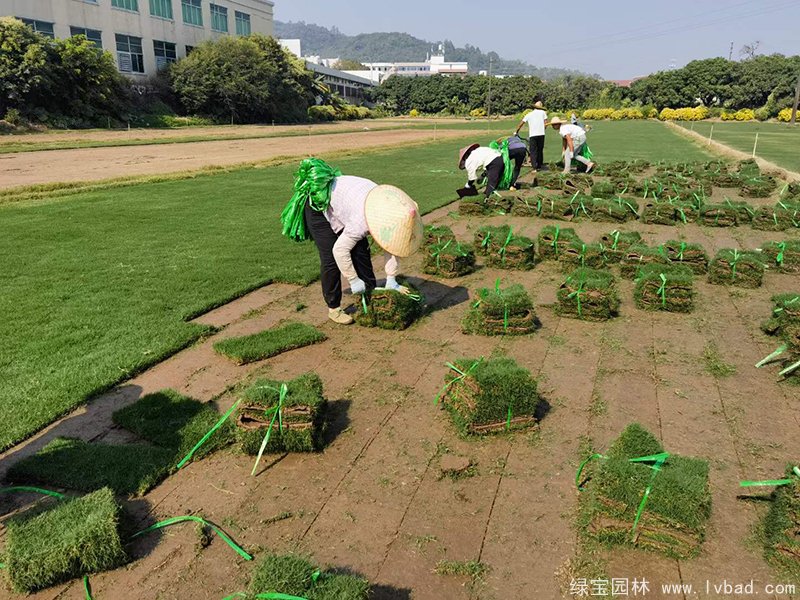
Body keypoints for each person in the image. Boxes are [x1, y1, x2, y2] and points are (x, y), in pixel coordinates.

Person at [280, 158, 423, 325]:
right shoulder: (361, 220)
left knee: (361, 250)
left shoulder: (392, 208)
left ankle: (369, 296)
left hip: (345, 205)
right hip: (318, 206)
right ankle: (334, 308)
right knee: (331, 259)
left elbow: (391, 243)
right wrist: (353, 279)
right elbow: (339, 250)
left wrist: (391, 278)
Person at [514, 100, 548, 170]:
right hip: (541, 134)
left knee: (533, 151)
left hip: (533, 134)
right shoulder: (543, 113)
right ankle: (539, 165)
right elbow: (546, 123)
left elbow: (521, 123)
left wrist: (516, 131)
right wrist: (543, 129)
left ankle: (534, 167)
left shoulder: (529, 114)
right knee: (540, 150)